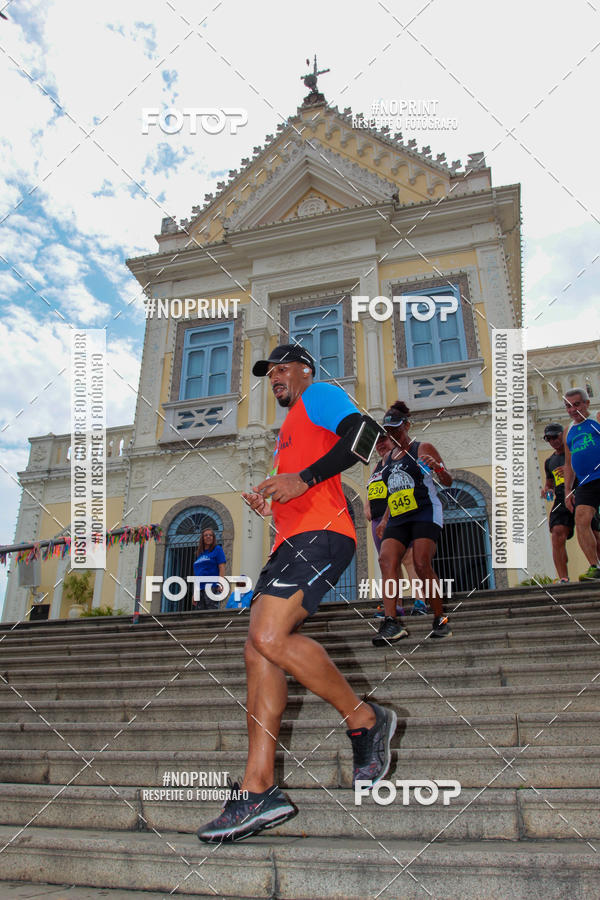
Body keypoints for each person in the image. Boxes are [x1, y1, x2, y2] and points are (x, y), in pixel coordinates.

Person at [197, 344, 396, 843]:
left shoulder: (320, 395)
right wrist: (276, 497)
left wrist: (302, 479)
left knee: (267, 635)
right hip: (291, 540)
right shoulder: (287, 431)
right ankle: (258, 790)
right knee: (256, 649)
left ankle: (365, 719)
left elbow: (366, 437)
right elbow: (302, 482)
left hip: (322, 536)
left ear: (306, 370)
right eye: (271, 373)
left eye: (284, 369)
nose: (276, 378)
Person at [373, 400, 453, 645]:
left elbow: (448, 480)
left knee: (421, 563)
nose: (393, 434)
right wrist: (385, 519)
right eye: (388, 431)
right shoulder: (387, 459)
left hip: (424, 512)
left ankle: (440, 617)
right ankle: (390, 622)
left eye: (396, 429)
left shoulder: (422, 448)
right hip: (398, 517)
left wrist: (437, 468)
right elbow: (392, 493)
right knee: (386, 559)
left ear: (407, 425)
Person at [365, 433, 422, 617]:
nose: (381, 444)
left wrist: (387, 518)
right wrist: (367, 506)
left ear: (393, 442)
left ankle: (420, 601)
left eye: (384, 440)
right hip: (376, 520)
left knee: (408, 559)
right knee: (389, 564)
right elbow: (371, 489)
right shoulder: (376, 466)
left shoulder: (398, 460)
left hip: (397, 515)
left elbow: (399, 487)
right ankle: (394, 605)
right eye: (378, 442)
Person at [541, 422, 600, 582]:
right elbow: (549, 484)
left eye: (556, 436)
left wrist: (570, 470)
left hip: (582, 494)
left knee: (595, 532)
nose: (553, 441)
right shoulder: (549, 462)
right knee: (557, 534)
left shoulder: (576, 450)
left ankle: (596, 567)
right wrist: (547, 490)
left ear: (563, 435)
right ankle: (563, 578)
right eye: (549, 438)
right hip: (561, 499)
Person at [563, 388, 600, 580]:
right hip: (586, 482)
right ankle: (595, 566)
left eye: (576, 404)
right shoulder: (568, 430)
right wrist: (568, 489)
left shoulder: (597, 418)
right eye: (568, 406)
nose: (572, 410)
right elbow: (568, 463)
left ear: (586, 403)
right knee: (581, 521)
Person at [191, 529, 227, 610]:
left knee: (211, 612)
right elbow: (197, 574)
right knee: (200, 615)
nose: (208, 537)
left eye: (210, 535)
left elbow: (221, 567)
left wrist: (220, 583)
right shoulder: (200, 553)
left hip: (211, 586)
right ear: (202, 538)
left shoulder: (217, 549)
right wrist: (195, 592)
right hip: (199, 588)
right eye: (206, 535)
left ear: (213, 538)